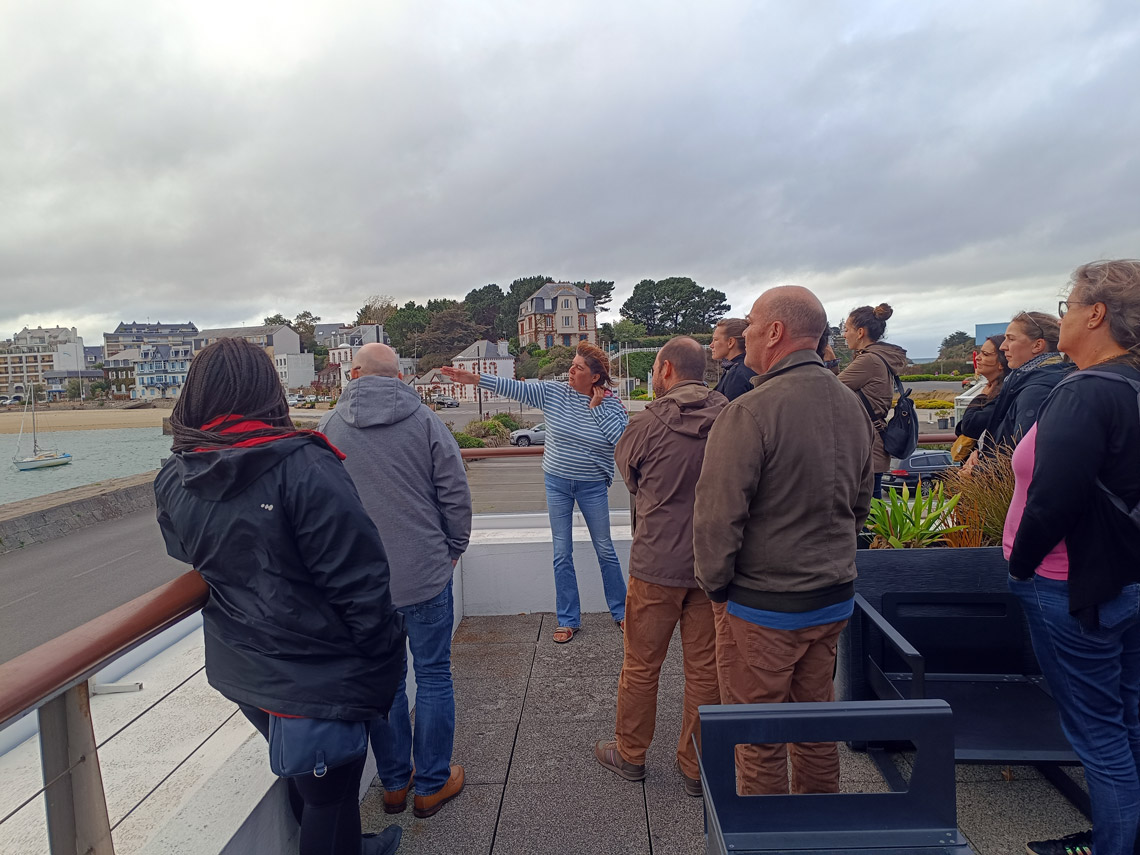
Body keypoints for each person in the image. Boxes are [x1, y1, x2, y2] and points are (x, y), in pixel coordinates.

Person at [154, 338, 405, 855]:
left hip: (246, 666)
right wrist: (383, 658)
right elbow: (360, 581)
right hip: (320, 666)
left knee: (310, 779)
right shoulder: (303, 467)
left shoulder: (177, 476)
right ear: (267, 393)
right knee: (330, 793)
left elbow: (187, 552)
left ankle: (356, 847)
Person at [693, 286, 874, 795]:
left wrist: (716, 589)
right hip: (832, 597)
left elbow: (715, 521)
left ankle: (765, 838)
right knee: (815, 728)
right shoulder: (850, 404)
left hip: (764, 606)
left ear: (775, 333)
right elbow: (860, 504)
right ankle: (818, 831)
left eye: (751, 323)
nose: (745, 332)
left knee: (759, 738)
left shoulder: (749, 411)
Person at [1006, 260, 1140, 855]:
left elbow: (1052, 499)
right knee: (1127, 716)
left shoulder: (1085, 391)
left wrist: (1020, 564)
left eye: (1068, 305)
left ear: (1096, 314)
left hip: (1069, 585)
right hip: (1125, 579)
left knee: (1098, 732)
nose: (1062, 316)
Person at [319, 343, 471, 819]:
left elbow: (320, 510)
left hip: (362, 587)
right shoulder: (425, 421)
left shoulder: (328, 429)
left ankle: (393, 784)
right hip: (424, 573)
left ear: (355, 374)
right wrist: (453, 548)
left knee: (385, 681)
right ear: (400, 378)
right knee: (433, 675)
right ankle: (430, 784)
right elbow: (455, 493)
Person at [594, 337, 726, 797]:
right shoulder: (733, 416)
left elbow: (629, 477)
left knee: (641, 665)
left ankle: (630, 755)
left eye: (653, 368)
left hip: (655, 565)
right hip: (713, 566)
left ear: (666, 369)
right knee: (706, 672)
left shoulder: (646, 424)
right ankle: (695, 767)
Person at [441, 341, 628, 643]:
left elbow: (621, 440)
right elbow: (514, 387)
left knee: (605, 549)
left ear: (594, 377)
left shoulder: (610, 404)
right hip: (556, 483)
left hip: (592, 485)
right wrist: (475, 379)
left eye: (578, 367)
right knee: (561, 552)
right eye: (572, 363)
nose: (570, 370)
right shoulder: (554, 393)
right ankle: (568, 619)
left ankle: (622, 613)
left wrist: (596, 409)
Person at [837, 303, 908, 498]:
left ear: (860, 332)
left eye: (847, 329)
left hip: (866, 448)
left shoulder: (868, 361)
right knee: (872, 513)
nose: (844, 335)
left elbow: (829, 388)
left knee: (866, 516)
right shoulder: (879, 357)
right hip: (874, 445)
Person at [984, 310, 1071, 453]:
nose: (1002, 346)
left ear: (1037, 345)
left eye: (1011, 339)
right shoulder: (1039, 378)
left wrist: (977, 468)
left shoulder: (1037, 390)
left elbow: (1024, 454)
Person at [951, 334, 1009, 461]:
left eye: (985, 354)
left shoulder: (1003, 393)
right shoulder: (998, 388)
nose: (977, 358)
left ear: (1001, 363)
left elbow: (969, 426)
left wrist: (981, 396)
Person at [709, 317, 756, 400]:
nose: (711, 345)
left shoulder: (737, 375)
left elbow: (730, 411)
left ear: (730, 342)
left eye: (715, 340)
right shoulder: (750, 367)